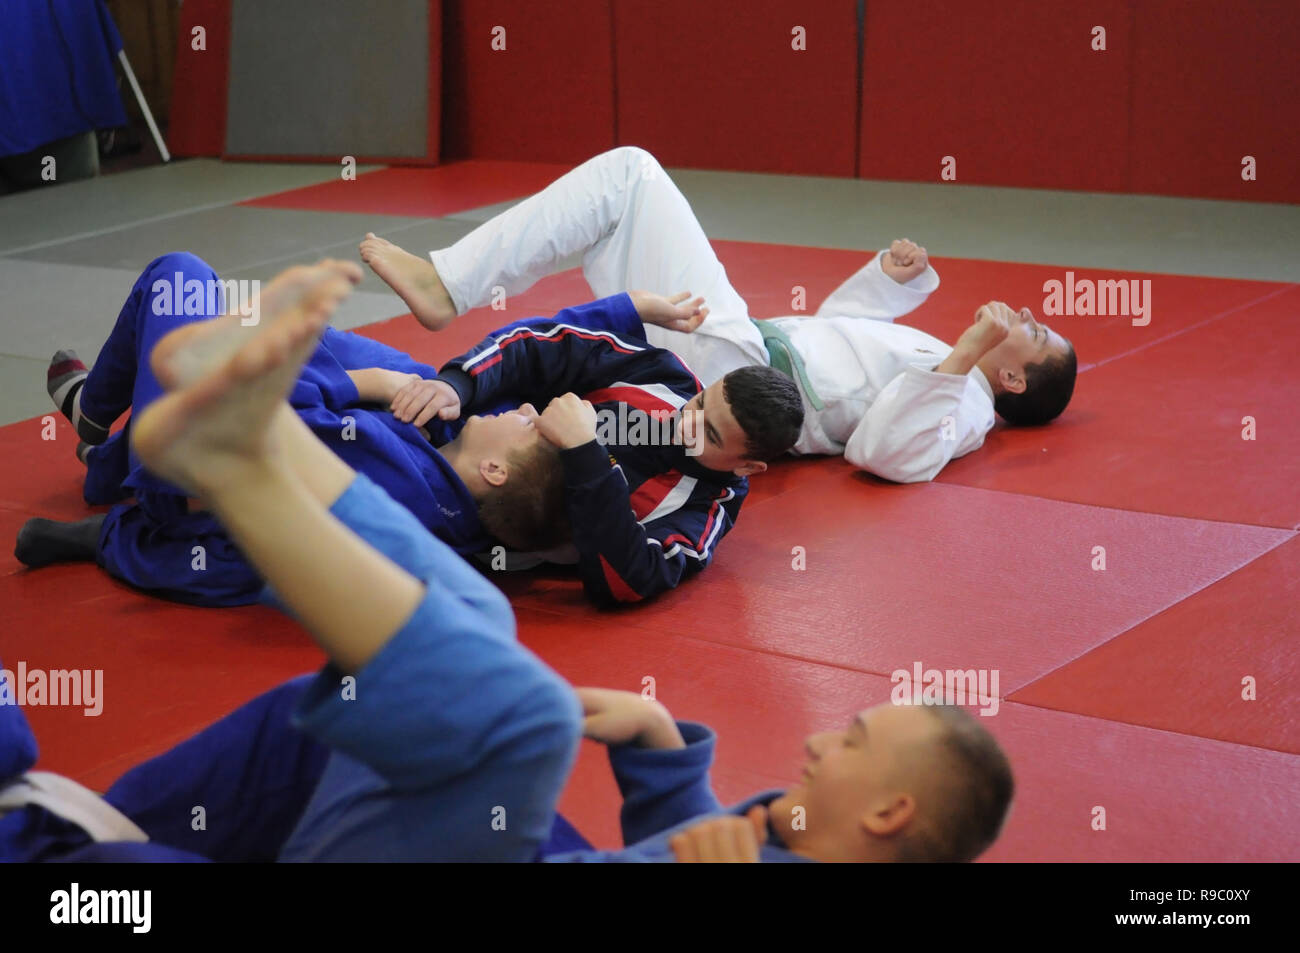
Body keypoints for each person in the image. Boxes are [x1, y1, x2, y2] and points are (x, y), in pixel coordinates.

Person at [2, 260, 1014, 863]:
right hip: (451, 507)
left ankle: (246, 448)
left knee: (515, 709)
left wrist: (582, 460)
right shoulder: (789, 828)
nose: (820, 739)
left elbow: (632, 576)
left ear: (889, 810)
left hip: (467, 532)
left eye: (853, 738)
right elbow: (542, 349)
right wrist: (665, 757)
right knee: (377, 698)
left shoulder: (701, 502)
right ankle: (80, 841)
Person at [359, 145, 1077, 484]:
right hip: (741, 350)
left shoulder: (972, 411)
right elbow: (837, 339)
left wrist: (960, 356)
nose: (1020, 313)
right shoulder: (935, 358)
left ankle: (447, 286)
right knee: (552, 395)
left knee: (630, 177)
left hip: (738, 377)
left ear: (1013, 380)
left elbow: (883, 452)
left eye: (1033, 332)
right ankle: (430, 394)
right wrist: (889, 285)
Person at [16, 252, 569, 606]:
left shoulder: (397, 478)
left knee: (181, 278)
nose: (524, 411)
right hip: (212, 470)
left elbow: (267, 410)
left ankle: (93, 411)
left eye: (528, 428)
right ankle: (108, 464)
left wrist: (370, 381)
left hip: (191, 465)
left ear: (494, 471)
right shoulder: (457, 494)